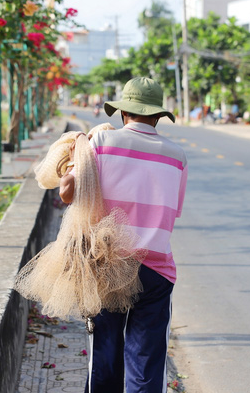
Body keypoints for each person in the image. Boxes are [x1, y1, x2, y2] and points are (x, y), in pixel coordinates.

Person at [59, 77, 188, 393]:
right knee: (146, 363)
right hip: (156, 271)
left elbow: (66, 192)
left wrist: (78, 155)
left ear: (121, 114)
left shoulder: (101, 143)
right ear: (158, 117)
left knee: (105, 355)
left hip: (107, 264)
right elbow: (174, 212)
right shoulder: (178, 157)